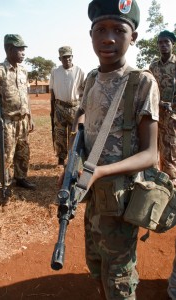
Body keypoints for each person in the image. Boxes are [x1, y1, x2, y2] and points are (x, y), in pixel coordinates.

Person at [67, 0, 160, 298]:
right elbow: (82, 116)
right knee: (95, 263)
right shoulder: (92, 78)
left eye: (119, 30)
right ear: (91, 34)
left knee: (118, 278)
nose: (108, 38)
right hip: (92, 195)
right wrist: (72, 161)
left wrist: (98, 171)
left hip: (122, 199)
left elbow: (150, 154)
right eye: (100, 30)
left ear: (132, 36)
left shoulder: (141, 82)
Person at [0, 34, 36, 203]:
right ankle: (3, 187)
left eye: (23, 49)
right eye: (19, 49)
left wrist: (30, 117)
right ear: (8, 49)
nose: (23, 53)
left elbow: (25, 96)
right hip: (6, 121)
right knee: (5, 155)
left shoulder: (23, 71)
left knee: (23, 152)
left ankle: (20, 178)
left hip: (22, 120)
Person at [149, 30, 176, 300]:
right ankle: (156, 186)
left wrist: (172, 105)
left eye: (166, 42)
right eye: (160, 43)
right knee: (152, 153)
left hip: (173, 118)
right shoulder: (153, 67)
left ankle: (170, 192)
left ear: (173, 45)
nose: (163, 46)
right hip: (155, 117)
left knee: (171, 157)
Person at [49, 46, 84, 166]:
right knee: (60, 134)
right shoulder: (55, 72)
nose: (67, 59)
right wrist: (52, 110)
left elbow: (83, 92)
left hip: (75, 107)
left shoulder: (79, 71)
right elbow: (52, 91)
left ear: (72, 57)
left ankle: (73, 158)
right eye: (64, 57)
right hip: (59, 107)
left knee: (74, 134)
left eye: (69, 56)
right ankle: (61, 158)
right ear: (60, 58)